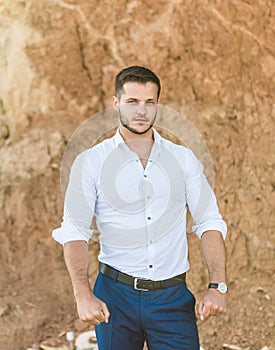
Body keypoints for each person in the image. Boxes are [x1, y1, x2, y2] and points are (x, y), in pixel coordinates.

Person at [52, 66, 227, 350]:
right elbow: (74, 231)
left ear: (158, 104)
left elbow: (209, 222)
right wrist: (82, 294)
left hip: (172, 299)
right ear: (115, 104)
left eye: (149, 102)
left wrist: (217, 286)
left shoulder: (183, 160)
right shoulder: (91, 162)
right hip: (114, 297)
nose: (141, 111)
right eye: (132, 102)